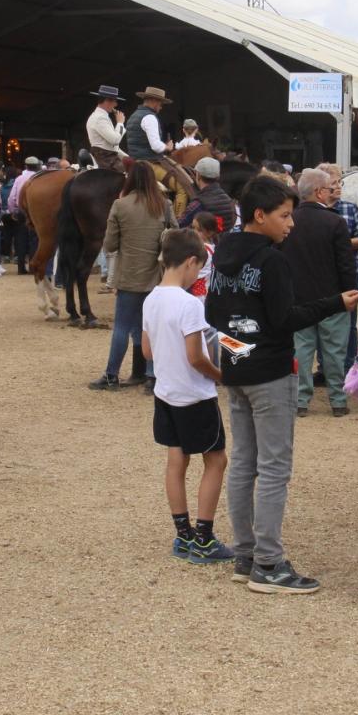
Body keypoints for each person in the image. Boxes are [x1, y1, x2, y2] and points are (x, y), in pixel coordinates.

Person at [205, 176, 358, 594]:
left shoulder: (223, 254)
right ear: (261, 215)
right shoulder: (272, 261)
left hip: (236, 368)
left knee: (243, 462)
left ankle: (246, 553)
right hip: (271, 371)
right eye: (285, 215)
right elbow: (284, 318)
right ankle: (269, 563)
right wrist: (334, 303)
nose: (291, 224)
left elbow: (213, 311)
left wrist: (236, 351)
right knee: (274, 467)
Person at [142, 228, 233, 564]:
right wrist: (221, 377)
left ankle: (182, 535)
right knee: (216, 460)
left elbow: (148, 350)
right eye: (199, 270)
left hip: (166, 393)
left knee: (176, 460)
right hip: (195, 395)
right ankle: (205, 537)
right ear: (191, 262)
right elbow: (197, 356)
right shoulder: (190, 304)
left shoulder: (151, 299)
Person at [89, 161, 175, 391]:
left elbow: (109, 245)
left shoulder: (120, 205)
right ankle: (151, 376)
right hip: (156, 276)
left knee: (122, 327)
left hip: (128, 274)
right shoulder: (164, 205)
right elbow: (175, 236)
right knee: (151, 327)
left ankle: (111, 375)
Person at [282, 168, 358, 416]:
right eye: (328, 189)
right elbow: (345, 264)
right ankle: (337, 400)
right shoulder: (335, 221)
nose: (331, 192)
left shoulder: (288, 221)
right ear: (318, 191)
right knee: (334, 352)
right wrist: (349, 292)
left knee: (302, 350)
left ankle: (301, 400)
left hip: (298, 298)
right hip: (332, 298)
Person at [177, 156, 237, 230]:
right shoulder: (229, 201)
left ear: (198, 175)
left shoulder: (198, 204)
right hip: (224, 241)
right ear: (217, 177)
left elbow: (178, 226)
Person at [85, 84, 127, 170]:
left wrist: (127, 157)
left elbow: (112, 146)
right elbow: (115, 140)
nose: (115, 105)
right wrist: (120, 123)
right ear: (107, 101)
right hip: (105, 158)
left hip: (108, 156)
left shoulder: (103, 117)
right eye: (114, 101)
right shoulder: (99, 118)